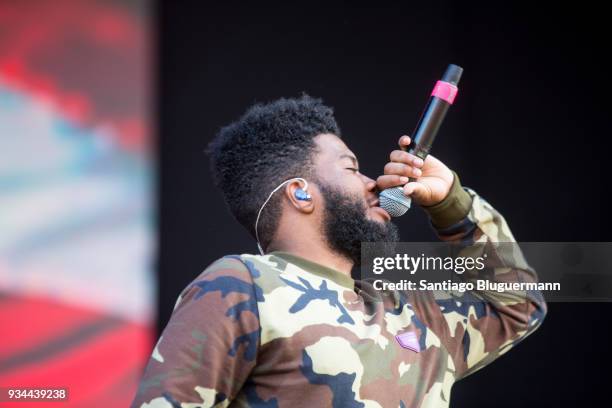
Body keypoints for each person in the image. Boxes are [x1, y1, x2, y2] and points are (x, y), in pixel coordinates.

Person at [132, 95, 547, 408]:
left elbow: (519, 306)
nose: (372, 183)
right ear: (299, 192)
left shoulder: (416, 316)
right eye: (351, 167)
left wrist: (451, 204)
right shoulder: (243, 286)